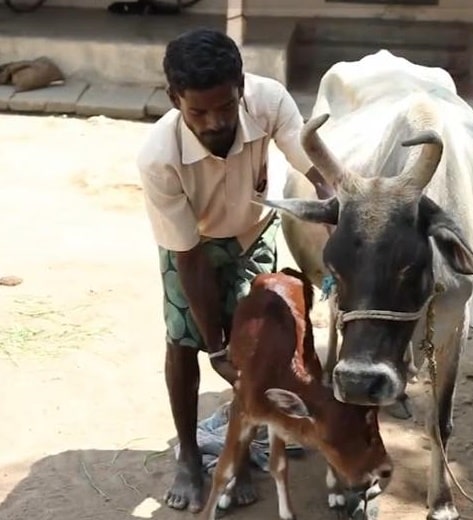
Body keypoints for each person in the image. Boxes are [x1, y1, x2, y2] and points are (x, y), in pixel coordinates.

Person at [136, 27, 330, 513]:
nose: (215, 122)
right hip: (192, 244)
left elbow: (315, 169)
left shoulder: (270, 101)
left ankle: (238, 451)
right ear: (174, 99)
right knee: (183, 343)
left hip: (253, 232)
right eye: (198, 112)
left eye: (225, 107)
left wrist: (341, 204)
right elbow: (188, 257)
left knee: (258, 348)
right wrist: (216, 346)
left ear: (241, 87)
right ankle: (188, 454)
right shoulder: (158, 158)